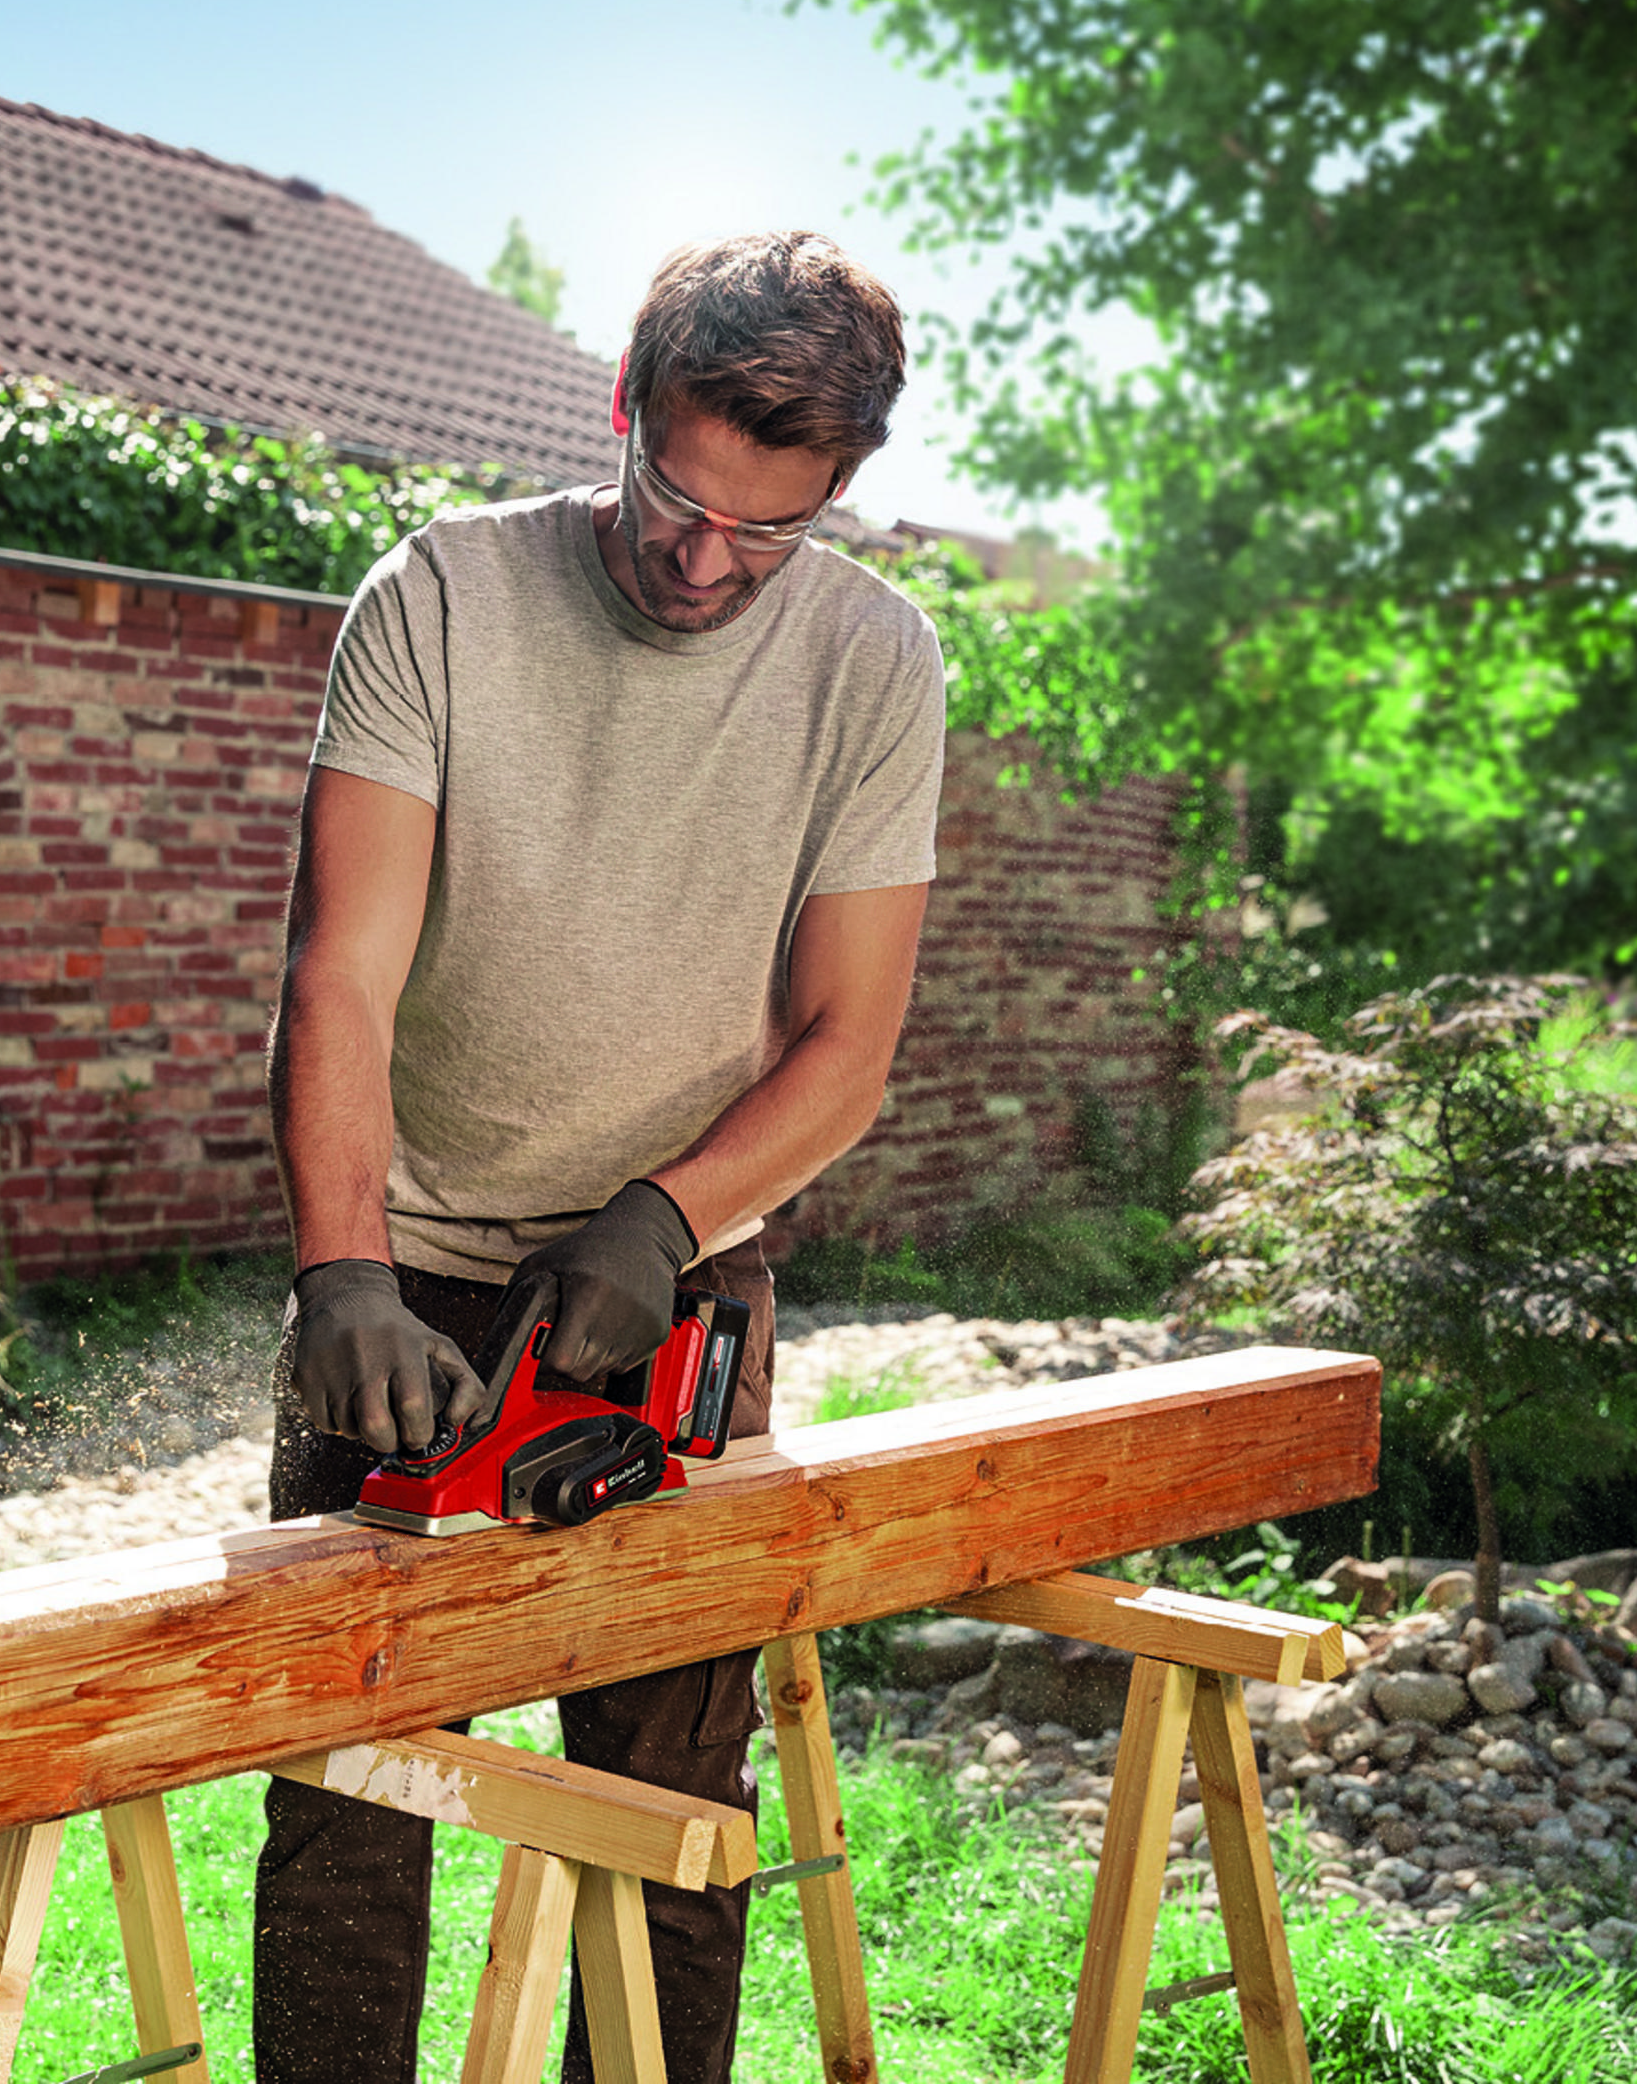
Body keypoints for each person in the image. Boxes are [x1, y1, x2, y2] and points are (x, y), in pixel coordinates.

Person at [253, 228, 945, 2084]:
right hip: (400, 1282)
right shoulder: (442, 599)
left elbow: (848, 1047)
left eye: (769, 534)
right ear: (624, 411)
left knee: (664, 1818)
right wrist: (342, 1272)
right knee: (346, 1797)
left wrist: (664, 1218)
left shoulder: (876, 664)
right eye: (678, 499)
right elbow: (341, 975)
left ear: (838, 497)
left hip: (672, 1291)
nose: (707, 563)